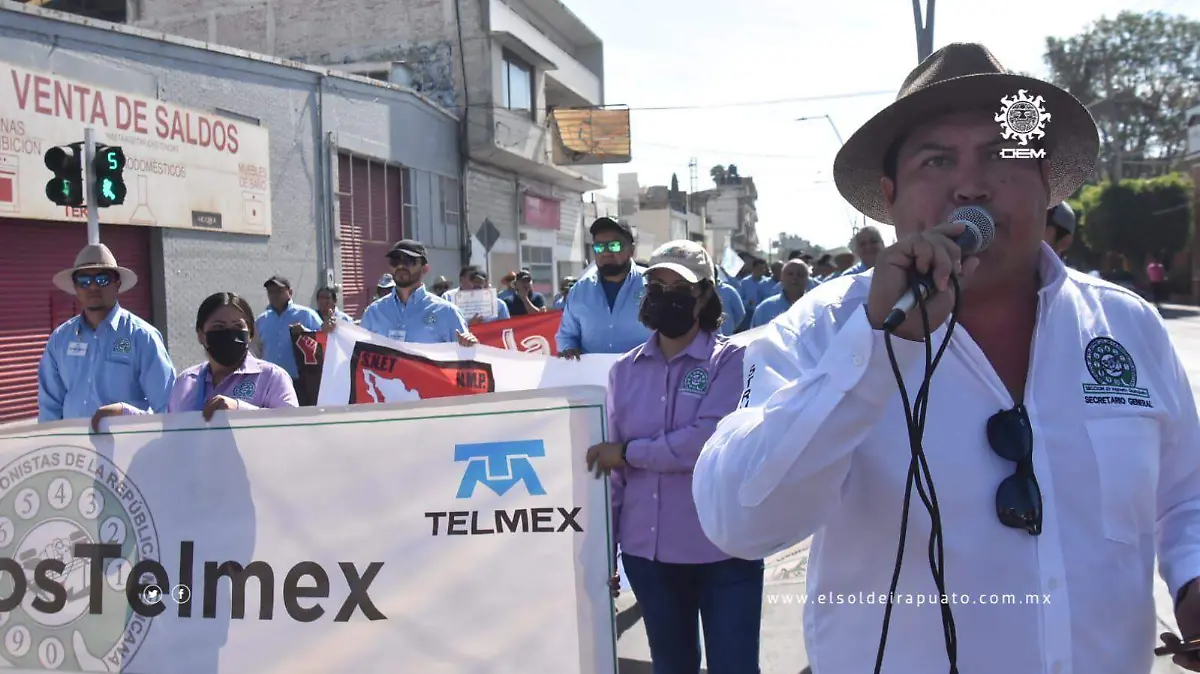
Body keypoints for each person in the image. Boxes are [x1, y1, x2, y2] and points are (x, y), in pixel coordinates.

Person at [691, 42, 1200, 674]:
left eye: (1002, 154)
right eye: (937, 160)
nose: (971, 185)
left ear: (1045, 183)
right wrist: (877, 351)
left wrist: (1192, 580)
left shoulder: (1128, 327)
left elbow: (1186, 495)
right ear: (891, 197)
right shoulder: (822, 330)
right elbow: (735, 519)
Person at [585, 240, 760, 674]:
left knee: (735, 667)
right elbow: (612, 478)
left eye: (677, 287)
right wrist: (604, 553)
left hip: (724, 552)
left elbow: (705, 442)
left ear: (704, 295)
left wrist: (628, 453)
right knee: (671, 666)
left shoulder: (732, 361)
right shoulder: (624, 371)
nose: (664, 296)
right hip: (649, 556)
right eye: (655, 286)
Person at [91, 292, 298, 429]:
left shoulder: (272, 378)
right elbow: (167, 429)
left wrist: (238, 410)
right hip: (196, 482)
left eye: (238, 327)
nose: (229, 333)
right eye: (218, 327)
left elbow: (292, 428)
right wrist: (123, 413)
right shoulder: (186, 381)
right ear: (201, 335)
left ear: (250, 333)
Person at [38, 244, 175, 423]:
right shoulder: (60, 339)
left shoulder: (142, 337)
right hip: (74, 441)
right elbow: (49, 407)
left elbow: (169, 408)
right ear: (76, 288)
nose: (93, 287)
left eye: (102, 279)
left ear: (117, 284)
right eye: (84, 281)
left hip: (127, 440)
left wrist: (126, 414)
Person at [556, 217, 652, 358]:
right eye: (599, 247)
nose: (605, 252)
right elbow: (567, 335)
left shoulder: (652, 285)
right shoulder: (580, 290)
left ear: (632, 250)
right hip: (592, 372)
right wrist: (569, 348)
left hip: (643, 370)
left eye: (614, 246)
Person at [354, 239, 478, 346]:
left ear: (425, 268)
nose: (400, 266)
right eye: (395, 261)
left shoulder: (448, 313)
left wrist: (470, 346)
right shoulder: (373, 313)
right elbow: (357, 355)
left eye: (408, 261)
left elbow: (465, 360)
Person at [254, 275, 322, 390]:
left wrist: (306, 332)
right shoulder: (261, 320)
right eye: (271, 292)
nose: (275, 295)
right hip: (270, 381)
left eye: (279, 291)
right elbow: (255, 351)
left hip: (300, 381)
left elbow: (324, 342)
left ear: (290, 292)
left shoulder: (306, 315)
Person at [750, 259, 810, 328]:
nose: (795, 278)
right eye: (790, 274)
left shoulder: (816, 308)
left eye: (800, 274)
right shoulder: (764, 309)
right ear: (782, 278)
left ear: (808, 279)